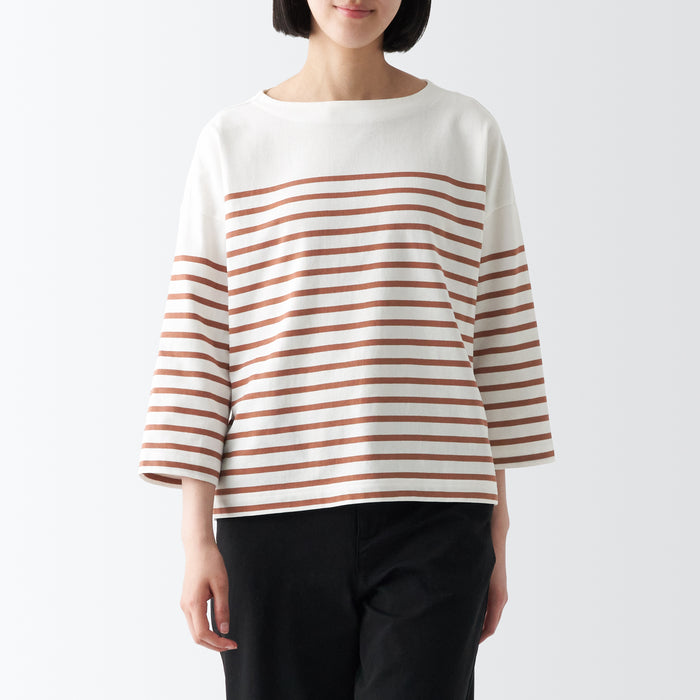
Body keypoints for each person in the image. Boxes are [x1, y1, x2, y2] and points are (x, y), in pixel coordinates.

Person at [137, 1, 556, 698]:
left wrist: (497, 528)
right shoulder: (234, 140)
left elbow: (498, 329)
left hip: (437, 514)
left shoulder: (465, 131)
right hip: (271, 518)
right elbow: (199, 339)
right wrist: (195, 536)